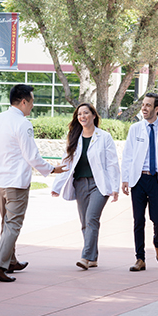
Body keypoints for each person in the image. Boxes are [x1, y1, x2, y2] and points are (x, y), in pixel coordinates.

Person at [0, 84, 67, 282]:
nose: (32, 106)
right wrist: (52, 169)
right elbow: (32, 156)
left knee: (6, 222)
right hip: (15, 182)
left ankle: (10, 260)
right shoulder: (23, 124)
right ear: (23, 102)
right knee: (13, 224)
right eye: (31, 102)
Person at [51, 103, 120, 270]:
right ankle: (93, 257)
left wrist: (115, 187)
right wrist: (57, 186)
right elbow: (66, 163)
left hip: (99, 184)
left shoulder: (104, 137)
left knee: (91, 218)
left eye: (86, 113)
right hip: (80, 183)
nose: (82, 116)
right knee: (84, 222)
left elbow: (112, 164)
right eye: (79, 114)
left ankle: (85, 256)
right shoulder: (75, 138)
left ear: (94, 115)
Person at [121, 92, 158, 272]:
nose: (144, 108)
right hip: (138, 179)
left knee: (157, 218)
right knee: (138, 220)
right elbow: (128, 155)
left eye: (148, 105)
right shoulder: (135, 128)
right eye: (143, 105)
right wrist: (125, 179)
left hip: (157, 179)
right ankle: (140, 258)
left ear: (157, 108)